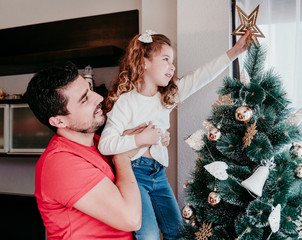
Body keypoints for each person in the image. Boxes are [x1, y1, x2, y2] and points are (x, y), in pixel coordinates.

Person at [97, 29, 250, 240]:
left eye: (173, 61)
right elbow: (105, 145)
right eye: (166, 59)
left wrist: (234, 52)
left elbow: (200, 77)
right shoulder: (125, 102)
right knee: (148, 235)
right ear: (144, 62)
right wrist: (142, 139)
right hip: (134, 175)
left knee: (178, 232)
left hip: (157, 174)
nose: (173, 67)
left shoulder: (166, 96)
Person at [24, 62, 153, 240]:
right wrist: (122, 155)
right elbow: (130, 219)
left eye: (90, 89)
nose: (98, 98)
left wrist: (139, 141)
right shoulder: (60, 163)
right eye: (84, 99)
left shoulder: (99, 143)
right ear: (59, 122)